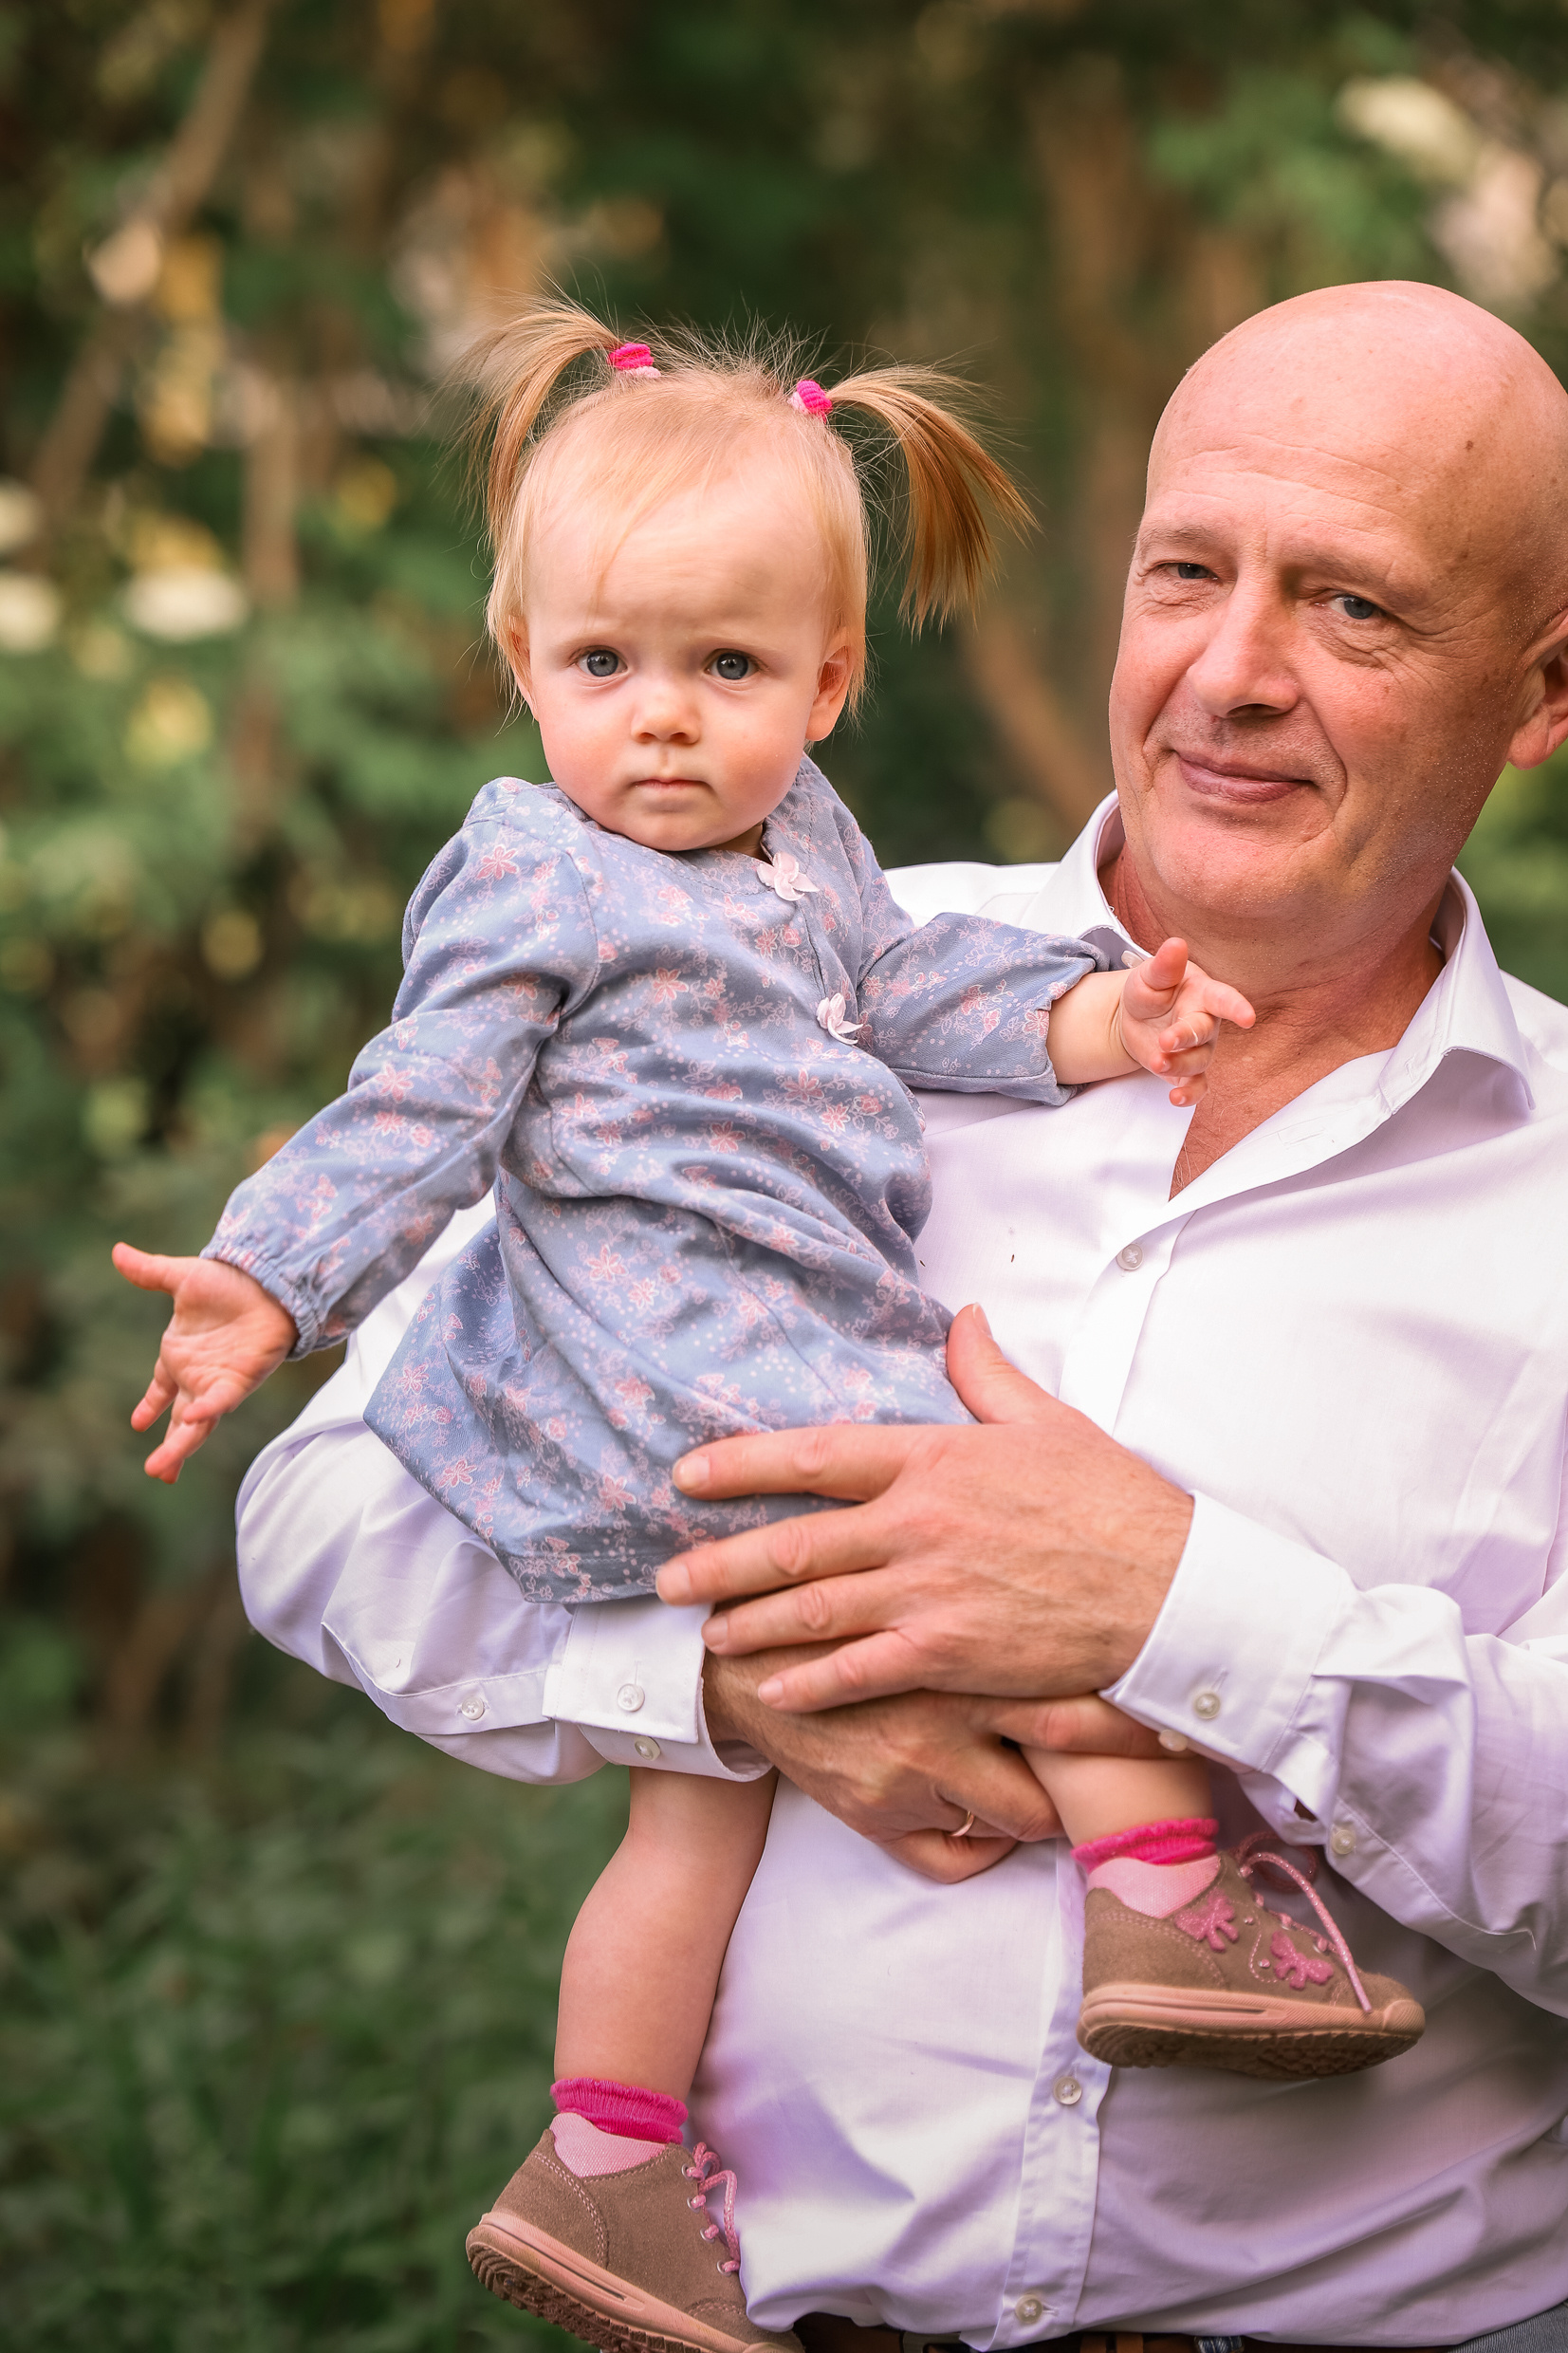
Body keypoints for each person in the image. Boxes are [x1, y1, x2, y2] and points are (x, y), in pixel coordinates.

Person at [232, 279, 1568, 2352]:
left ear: (1540, 683)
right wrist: (731, 1683)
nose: (1228, 671)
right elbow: (323, 1511)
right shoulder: (747, 985)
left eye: (1351, 611)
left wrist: (1172, 1606)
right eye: (1185, 573)